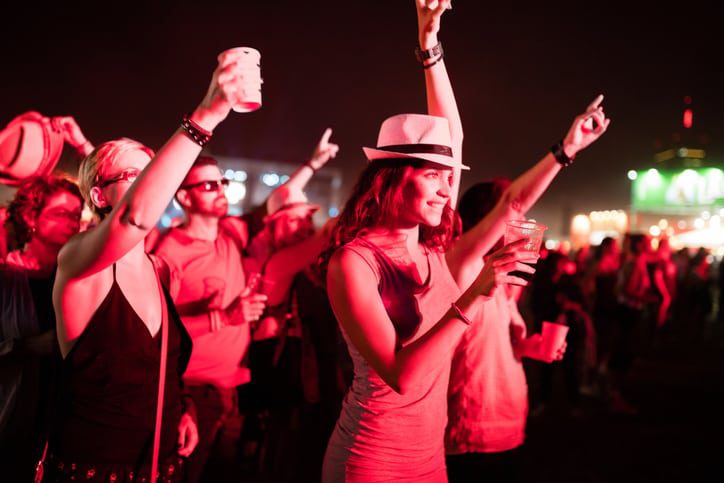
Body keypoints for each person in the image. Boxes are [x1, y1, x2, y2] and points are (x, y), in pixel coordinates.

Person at [320, 2, 539, 481]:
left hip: (430, 458)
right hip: (370, 459)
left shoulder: (430, 248)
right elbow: (404, 376)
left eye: (450, 177)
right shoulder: (354, 262)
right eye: (434, 176)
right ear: (395, 179)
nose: (447, 188)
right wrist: (475, 292)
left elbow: (452, 137)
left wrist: (430, 47)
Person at [47, 53, 252, 481]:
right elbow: (134, 218)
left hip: (160, 463)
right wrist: (206, 116)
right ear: (100, 197)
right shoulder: (78, 259)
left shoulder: (158, 268)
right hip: (94, 469)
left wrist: (181, 408)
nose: (148, 184)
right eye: (132, 176)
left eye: (151, 174)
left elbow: (157, 365)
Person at [445, 94, 610, 482]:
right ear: (486, 221)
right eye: (511, 215)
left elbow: (508, 341)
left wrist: (534, 345)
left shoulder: (502, 281)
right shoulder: (460, 268)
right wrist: (567, 149)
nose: (523, 221)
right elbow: (513, 204)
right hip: (468, 432)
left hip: (508, 426)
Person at [150, 154, 268, 483]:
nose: (220, 191)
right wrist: (223, 317)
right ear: (185, 197)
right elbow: (158, 332)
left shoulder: (230, 234)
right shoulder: (168, 253)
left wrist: (313, 165)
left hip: (227, 388)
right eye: (209, 185)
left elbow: (276, 205)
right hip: (192, 392)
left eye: (222, 183)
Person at [0, 175, 83, 482]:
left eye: (77, 215)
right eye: (62, 214)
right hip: (12, 420)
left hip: (62, 424)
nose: (74, 224)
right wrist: (28, 347)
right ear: (31, 217)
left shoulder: (80, 281)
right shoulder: (6, 279)